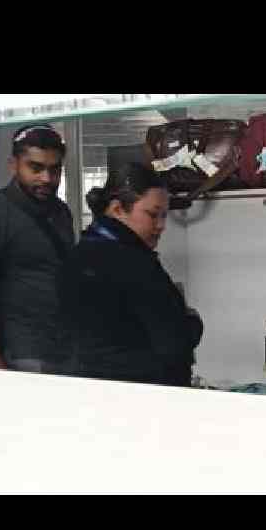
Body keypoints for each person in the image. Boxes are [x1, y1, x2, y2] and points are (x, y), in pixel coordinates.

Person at [57, 162, 203, 387]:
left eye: (164, 215)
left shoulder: (78, 254)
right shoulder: (133, 262)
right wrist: (192, 322)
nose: (161, 225)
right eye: (152, 215)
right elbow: (173, 343)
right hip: (143, 389)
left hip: (87, 387)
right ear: (117, 209)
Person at [0, 124, 75, 372]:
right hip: (24, 353)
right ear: (14, 165)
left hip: (67, 348)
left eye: (54, 169)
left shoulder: (61, 212)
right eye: (35, 168)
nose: (46, 178)